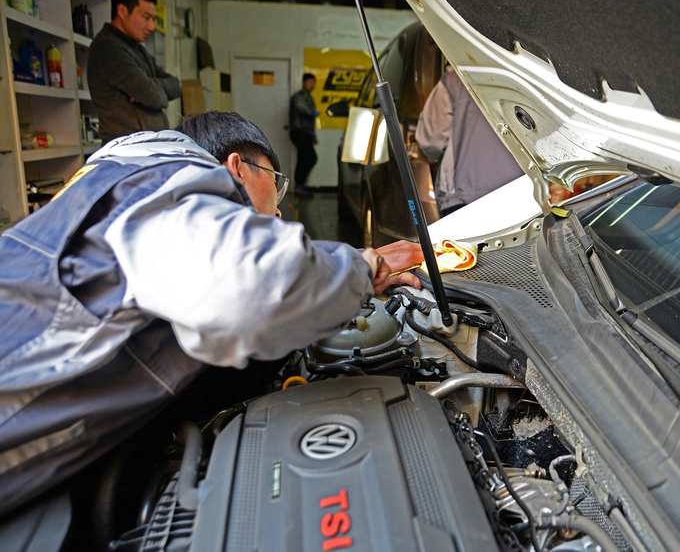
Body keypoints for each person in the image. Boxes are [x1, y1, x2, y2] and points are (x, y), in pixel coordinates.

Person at [0, 111, 424, 517]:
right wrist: (361, 268)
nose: (277, 211)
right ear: (237, 167)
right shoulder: (162, 182)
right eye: (274, 185)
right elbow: (251, 286)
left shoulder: (119, 179)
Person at [416, 68, 523, 216]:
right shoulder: (521, 77)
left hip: (465, 197)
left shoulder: (453, 80)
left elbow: (431, 141)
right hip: (522, 195)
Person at [87, 0, 181, 143]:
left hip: (147, 149)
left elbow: (176, 86)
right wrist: (153, 89)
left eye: (153, 19)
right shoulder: (108, 48)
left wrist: (152, 84)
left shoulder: (137, 49)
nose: (151, 27)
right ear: (122, 11)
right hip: (127, 153)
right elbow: (154, 97)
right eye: (146, 17)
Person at [289, 73, 319, 194]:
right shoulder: (299, 96)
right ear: (303, 82)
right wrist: (312, 112)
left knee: (304, 158)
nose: (312, 85)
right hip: (299, 132)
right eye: (310, 82)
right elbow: (299, 107)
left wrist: (313, 135)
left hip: (306, 133)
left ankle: (300, 185)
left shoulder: (308, 96)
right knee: (310, 158)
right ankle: (299, 185)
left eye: (313, 82)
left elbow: (311, 120)